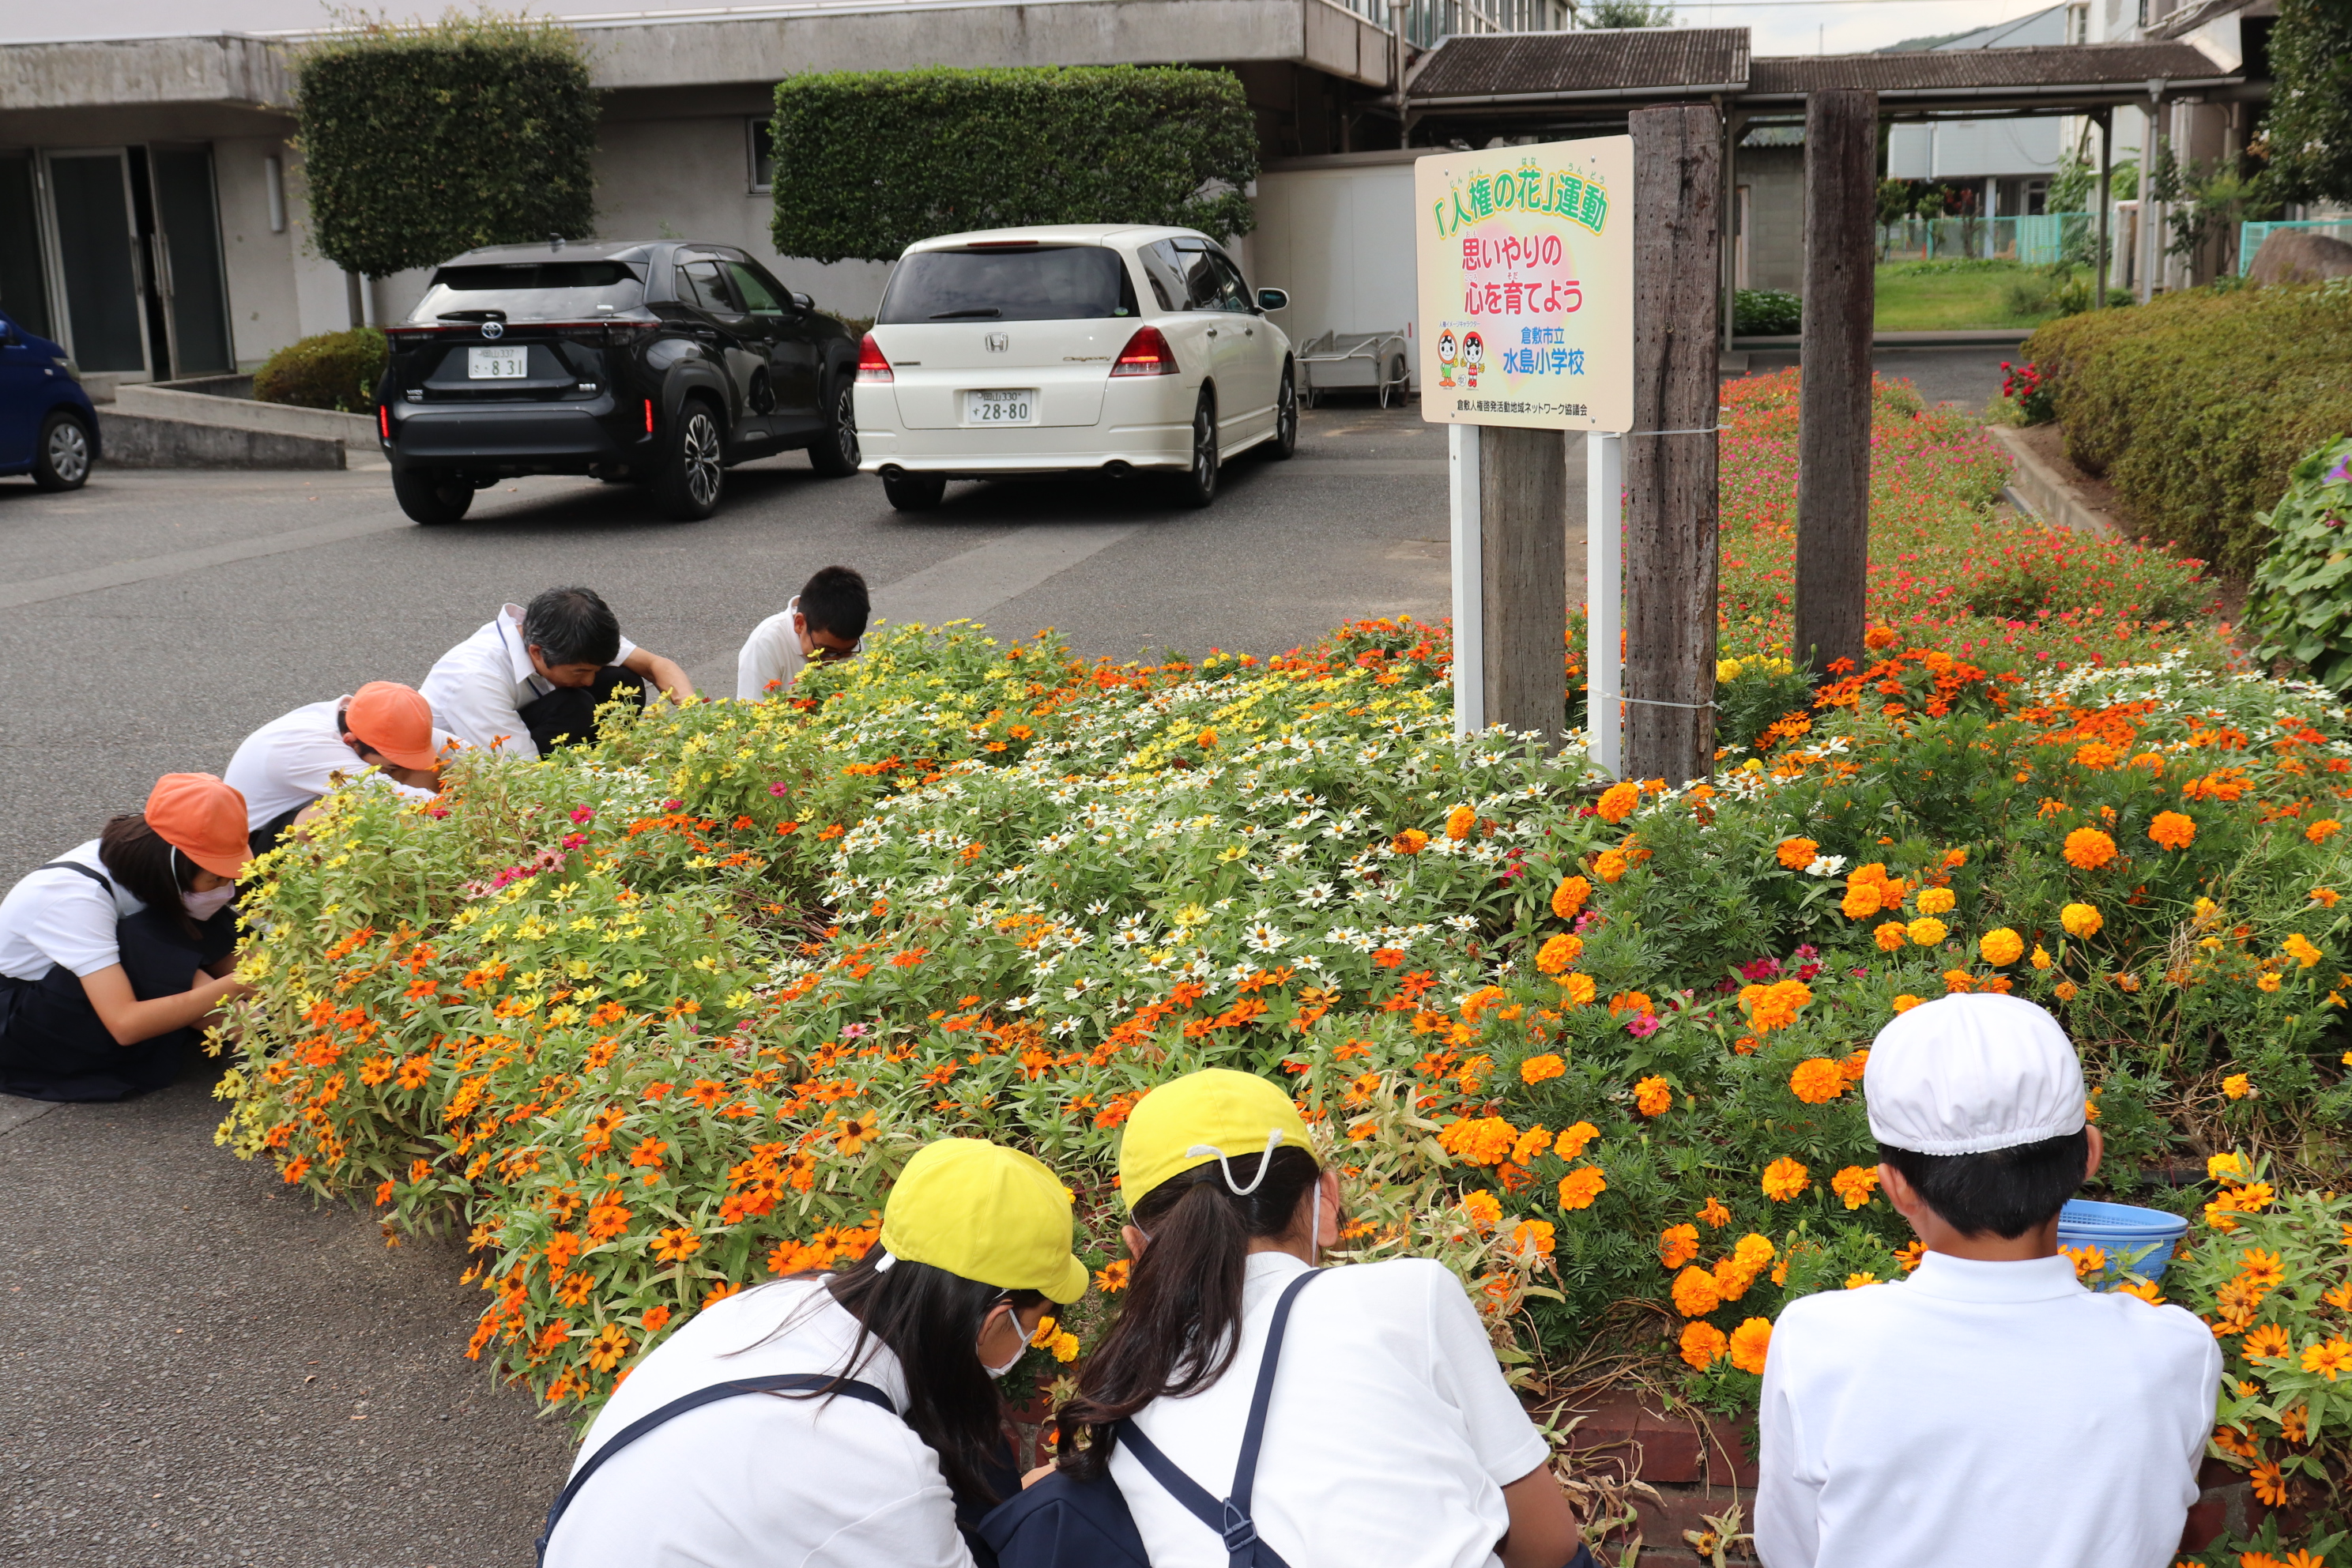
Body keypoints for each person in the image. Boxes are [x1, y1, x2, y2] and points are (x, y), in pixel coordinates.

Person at [1754, 993, 2221, 1568]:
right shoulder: (2176, 1352)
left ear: (1895, 1186)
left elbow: (1789, 1551)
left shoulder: (1820, 1341)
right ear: (2089, 1157)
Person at [1051, 1069, 1585, 1568]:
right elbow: (1549, 1543)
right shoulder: (1410, 1295)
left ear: (1138, 1250)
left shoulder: (1124, 1395)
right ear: (1325, 1201)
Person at [540, 1136, 1089, 1568]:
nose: (1029, 1340)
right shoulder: (878, 1465)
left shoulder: (769, 1306)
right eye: (1035, 1324)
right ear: (995, 1317)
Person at [0, 774, 251, 1102]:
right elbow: (126, 1023)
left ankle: (289, 1015)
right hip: (25, 1027)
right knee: (144, 938)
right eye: (216, 877)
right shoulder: (75, 898)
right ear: (169, 862)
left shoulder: (143, 866)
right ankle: (267, 1044)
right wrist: (242, 982)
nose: (226, 889)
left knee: (196, 916)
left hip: (80, 993)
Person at [422, 587, 694, 759]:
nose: (588, 679)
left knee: (621, 681)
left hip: (523, 724)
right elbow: (519, 771)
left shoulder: (570, 632)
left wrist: (698, 718)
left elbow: (656, 666)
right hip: (464, 761)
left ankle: (609, 759)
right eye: (581, 671)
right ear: (537, 652)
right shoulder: (475, 677)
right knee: (574, 705)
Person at [224, 681, 452, 856]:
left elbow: (466, 753)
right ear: (350, 741)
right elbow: (394, 798)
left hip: (295, 809)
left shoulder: (369, 719)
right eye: (392, 761)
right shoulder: (308, 747)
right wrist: (473, 815)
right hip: (251, 852)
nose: (399, 765)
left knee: (425, 767)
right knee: (346, 810)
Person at [736, 564, 871, 700]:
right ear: (800, 624)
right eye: (826, 652)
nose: (834, 661)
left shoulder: (848, 639)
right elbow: (752, 714)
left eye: (847, 652)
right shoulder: (764, 644)